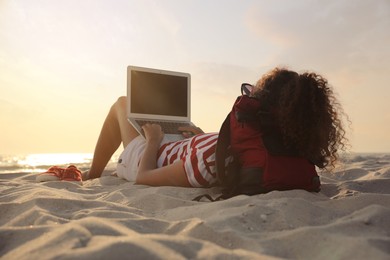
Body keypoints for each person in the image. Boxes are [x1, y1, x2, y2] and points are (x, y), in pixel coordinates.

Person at [83, 67, 348, 188]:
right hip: (184, 145)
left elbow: (144, 177)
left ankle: (93, 174)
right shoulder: (286, 149)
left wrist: (153, 139)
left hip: (147, 156)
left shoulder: (208, 159)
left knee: (122, 103)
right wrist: (201, 137)